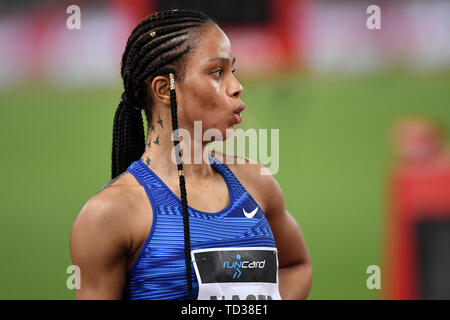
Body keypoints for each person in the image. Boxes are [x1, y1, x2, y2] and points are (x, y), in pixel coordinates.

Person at [69, 8, 312, 300]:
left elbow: (296, 266)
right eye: (217, 72)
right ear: (164, 89)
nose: (237, 87)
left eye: (232, 71)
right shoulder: (110, 214)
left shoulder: (256, 184)